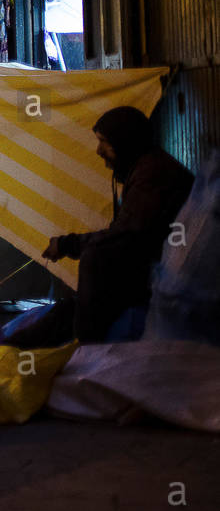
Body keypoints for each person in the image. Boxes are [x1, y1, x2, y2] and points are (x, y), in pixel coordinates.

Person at [24, 106, 194, 344]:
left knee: (96, 259)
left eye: (104, 142)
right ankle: (6, 350)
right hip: (155, 268)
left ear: (125, 141)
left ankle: (88, 353)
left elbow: (125, 235)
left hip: (165, 274)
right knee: (66, 312)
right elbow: (126, 232)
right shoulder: (144, 169)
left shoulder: (153, 175)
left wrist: (67, 244)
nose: (99, 151)